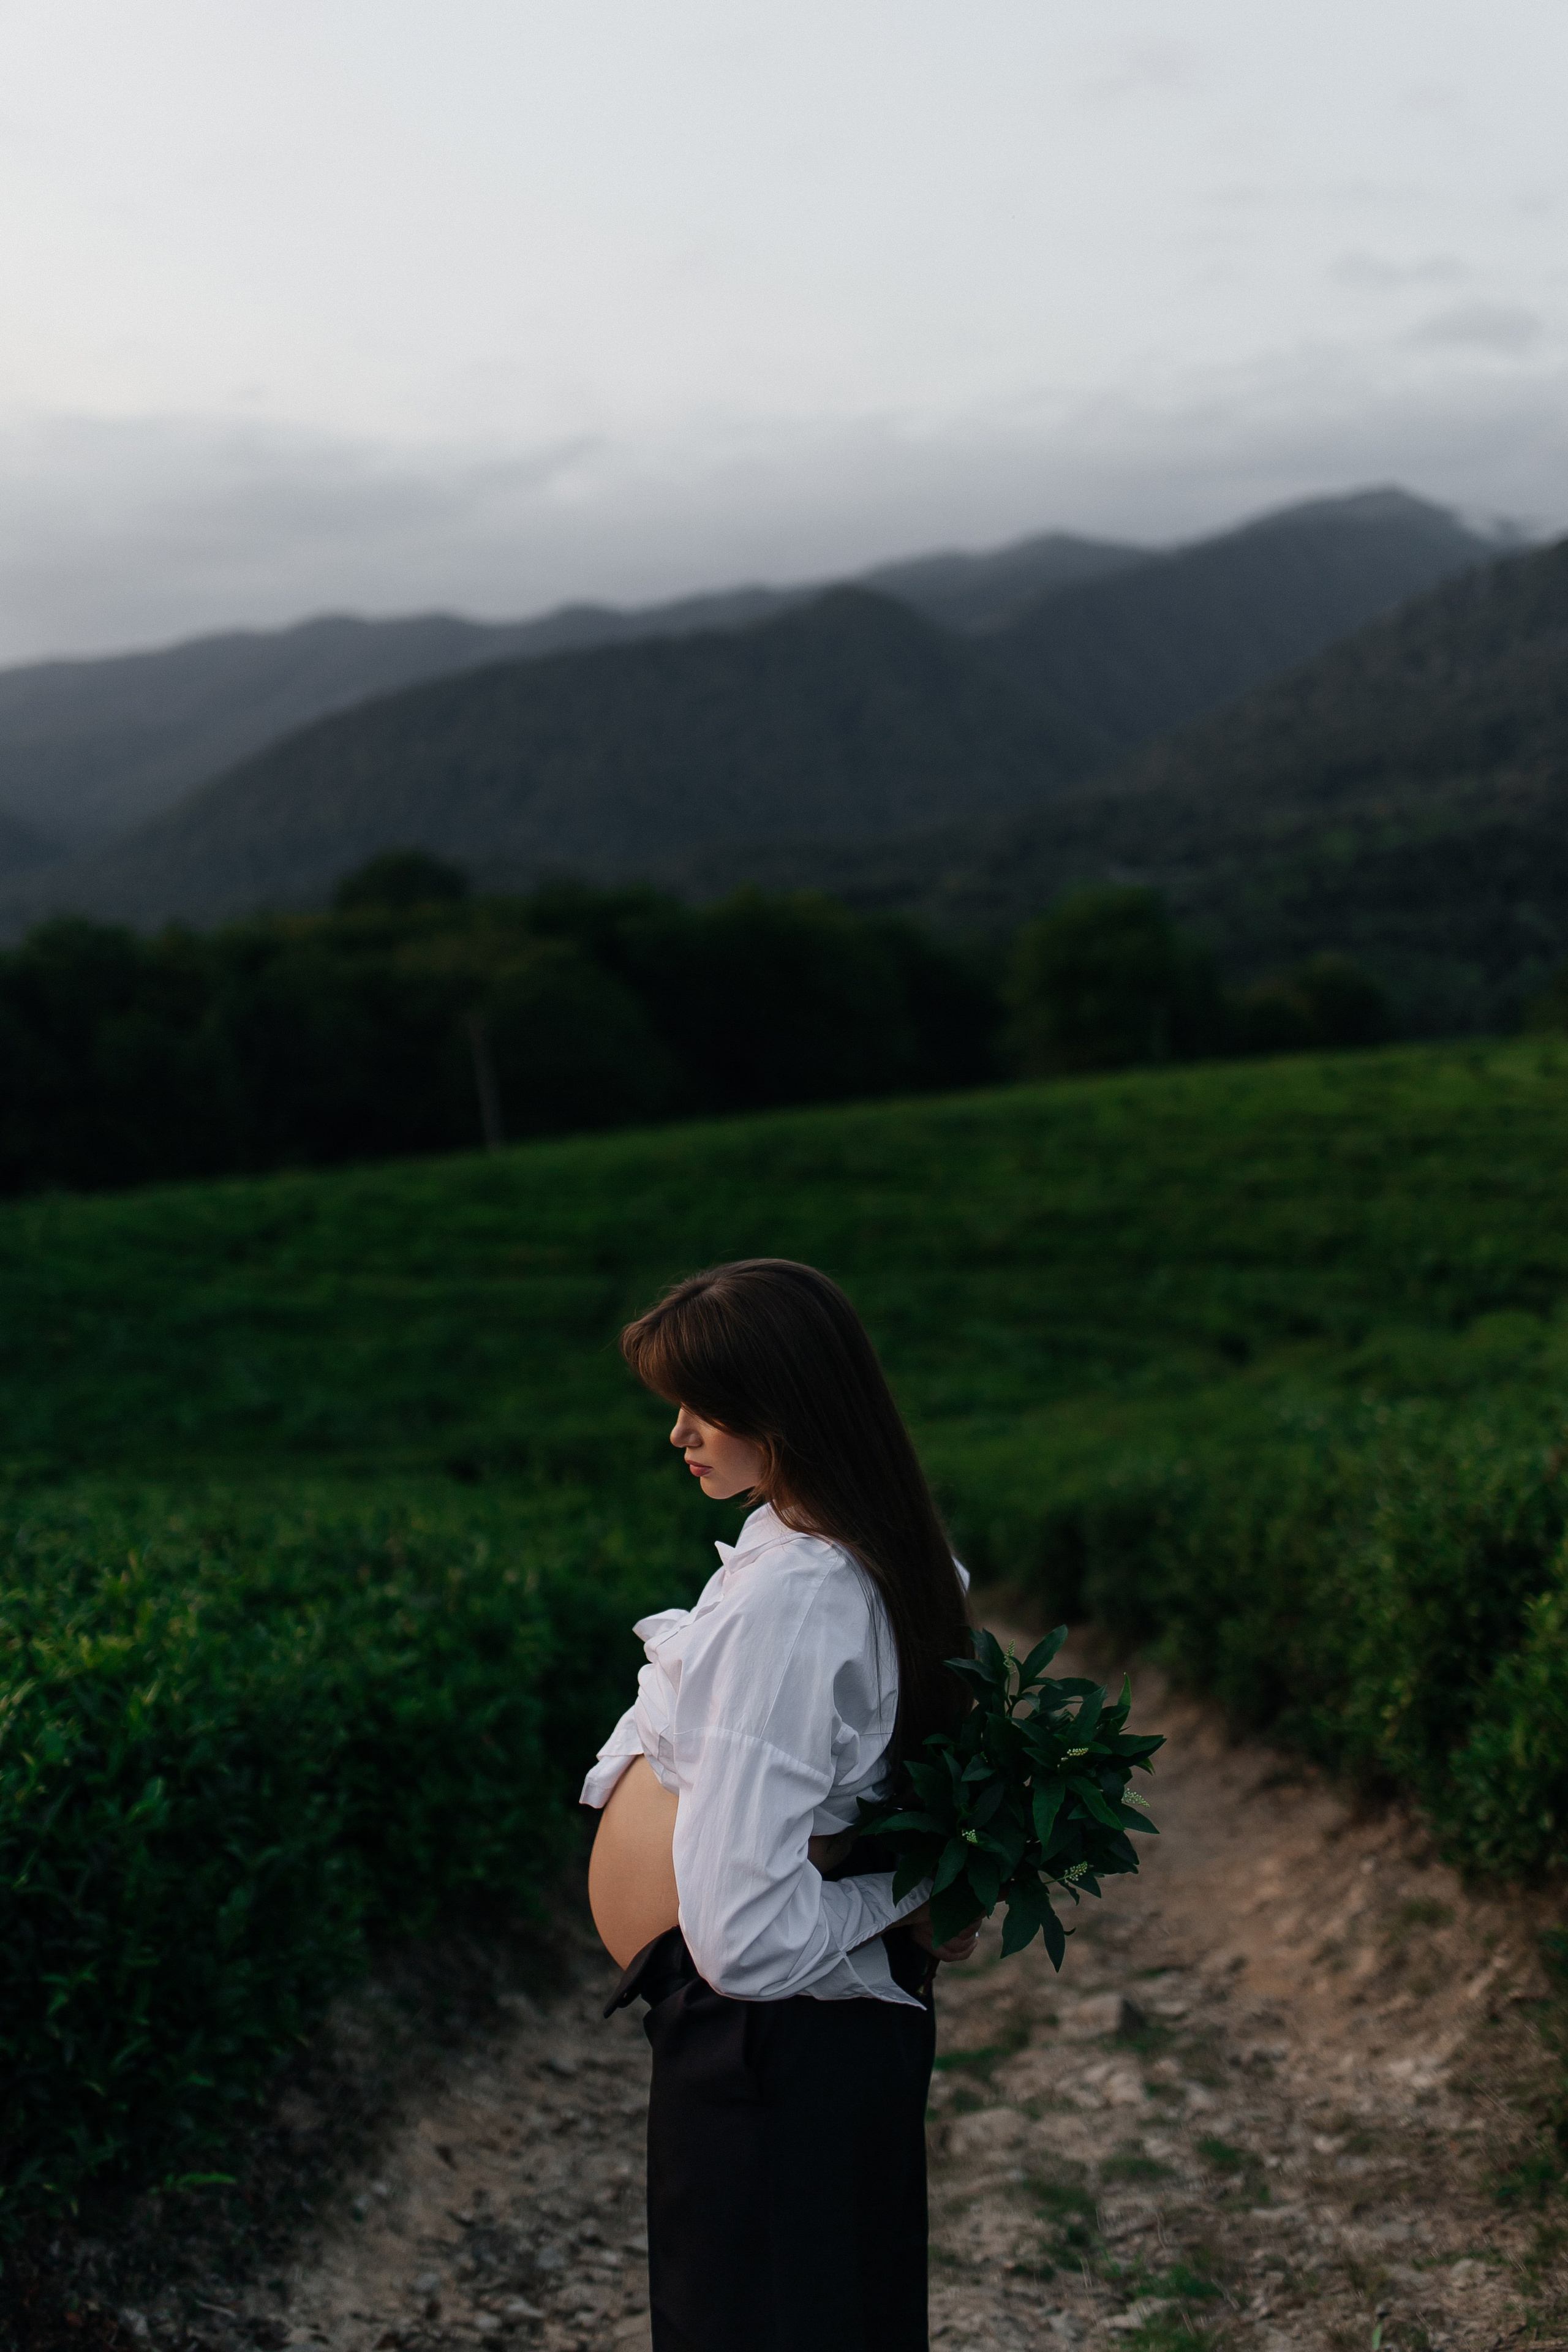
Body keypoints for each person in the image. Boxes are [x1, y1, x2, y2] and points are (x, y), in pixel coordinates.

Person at [579, 1257, 979, 2352]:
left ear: (787, 1407)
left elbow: (748, 1941)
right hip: (802, 2044)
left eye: (704, 1407)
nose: (680, 1435)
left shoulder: (801, 1596)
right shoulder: (853, 1557)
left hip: (770, 2038)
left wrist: (905, 1892)